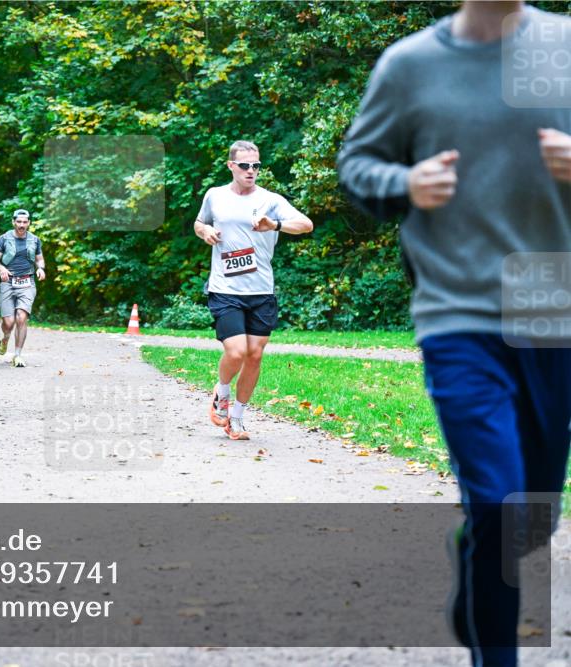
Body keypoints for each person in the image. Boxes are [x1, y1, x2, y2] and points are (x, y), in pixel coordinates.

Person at [337, 2, 571, 665]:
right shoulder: (412, 65)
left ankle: (476, 553)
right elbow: (357, 165)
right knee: (499, 501)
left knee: (528, 518)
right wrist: (405, 180)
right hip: (457, 311)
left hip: (553, 311)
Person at [193, 140, 313, 440]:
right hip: (225, 288)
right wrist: (205, 231)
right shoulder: (215, 196)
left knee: (255, 355)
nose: (251, 171)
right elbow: (199, 223)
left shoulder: (270, 200)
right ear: (231, 166)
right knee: (236, 351)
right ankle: (221, 393)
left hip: (261, 290)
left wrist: (274, 225)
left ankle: (237, 419)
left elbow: (306, 224)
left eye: (256, 166)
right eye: (245, 165)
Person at [0, 208, 45, 367]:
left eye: (25, 222)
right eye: (19, 222)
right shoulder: (4, 238)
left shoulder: (34, 240)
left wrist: (40, 268)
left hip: (27, 282)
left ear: (29, 223)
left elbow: (39, 259)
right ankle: (5, 338)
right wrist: (1, 269)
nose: (21, 225)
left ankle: (18, 355)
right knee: (8, 322)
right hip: (8, 282)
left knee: (21, 317)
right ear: (14, 222)